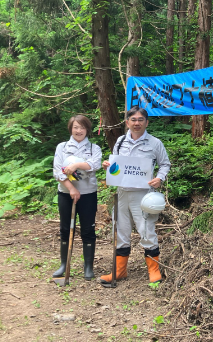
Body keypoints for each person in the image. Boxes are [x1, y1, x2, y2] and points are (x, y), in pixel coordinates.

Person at [100, 106, 171, 285]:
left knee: (146, 230)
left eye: (141, 120)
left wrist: (159, 178)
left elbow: (165, 164)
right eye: (133, 120)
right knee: (121, 231)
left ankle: (154, 270)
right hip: (122, 193)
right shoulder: (121, 141)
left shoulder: (155, 143)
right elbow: (116, 165)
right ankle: (120, 270)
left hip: (143, 194)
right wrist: (108, 166)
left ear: (147, 122)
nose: (137, 123)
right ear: (127, 122)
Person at [53, 115, 102, 281]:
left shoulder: (94, 148)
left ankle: (88, 267)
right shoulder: (62, 147)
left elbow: (94, 165)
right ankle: (63, 264)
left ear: (87, 129)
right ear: (70, 129)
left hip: (88, 194)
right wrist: (71, 189)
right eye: (75, 127)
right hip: (66, 194)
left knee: (88, 229)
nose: (78, 131)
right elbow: (58, 171)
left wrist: (76, 165)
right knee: (65, 229)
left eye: (82, 127)